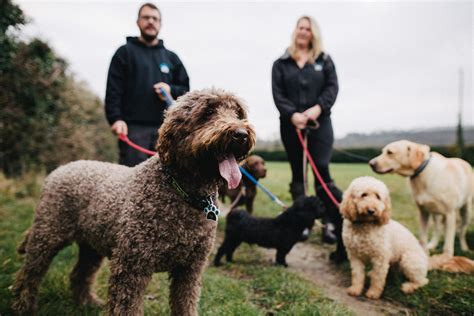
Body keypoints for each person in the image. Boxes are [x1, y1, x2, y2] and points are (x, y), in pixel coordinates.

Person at [271, 15, 346, 263]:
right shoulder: (281, 63)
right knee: (298, 175)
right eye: (300, 28)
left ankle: (331, 222)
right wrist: (292, 114)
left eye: (308, 29)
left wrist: (316, 110)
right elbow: (278, 94)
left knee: (321, 170)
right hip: (290, 126)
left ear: (314, 33)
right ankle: (302, 223)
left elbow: (332, 88)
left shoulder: (324, 61)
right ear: (295, 31)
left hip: (319, 124)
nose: (304, 32)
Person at [105, 3, 190, 167]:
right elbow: (113, 90)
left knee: (166, 183)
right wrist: (116, 119)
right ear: (138, 22)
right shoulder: (124, 53)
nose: (150, 21)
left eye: (155, 18)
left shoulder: (172, 58)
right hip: (133, 130)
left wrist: (170, 89)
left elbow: (186, 91)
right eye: (146, 17)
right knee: (132, 184)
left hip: (166, 131)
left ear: (160, 24)